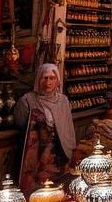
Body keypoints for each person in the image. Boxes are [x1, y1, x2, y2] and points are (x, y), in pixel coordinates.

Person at [13, 64, 77, 194]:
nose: (48, 82)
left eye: (52, 78)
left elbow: (68, 127)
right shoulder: (26, 101)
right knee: (37, 191)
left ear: (57, 80)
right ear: (38, 79)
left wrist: (71, 150)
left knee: (59, 189)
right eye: (45, 78)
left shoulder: (63, 101)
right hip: (37, 155)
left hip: (59, 152)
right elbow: (21, 127)